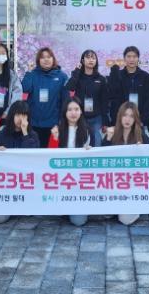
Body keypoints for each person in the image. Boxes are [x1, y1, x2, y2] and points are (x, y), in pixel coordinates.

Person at [102, 101, 149, 226]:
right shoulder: (112, 133)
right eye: (125, 115)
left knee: (125, 219)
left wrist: (142, 150)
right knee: (106, 214)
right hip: (114, 183)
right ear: (120, 116)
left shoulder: (142, 136)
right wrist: (108, 139)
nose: (127, 119)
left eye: (131, 116)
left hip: (134, 185)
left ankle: (134, 207)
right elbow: (101, 160)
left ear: (136, 119)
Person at [0, 100, 40, 224]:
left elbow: (33, 158)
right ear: (11, 115)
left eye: (24, 116)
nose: (21, 119)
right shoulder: (0, 135)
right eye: (18, 115)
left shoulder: (33, 135)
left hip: (26, 184)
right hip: (5, 185)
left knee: (30, 212)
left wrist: (25, 133)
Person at [54, 97, 93, 226]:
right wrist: (54, 139)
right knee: (57, 212)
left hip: (81, 181)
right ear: (65, 112)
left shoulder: (87, 130)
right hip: (62, 179)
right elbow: (49, 157)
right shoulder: (58, 130)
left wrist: (90, 151)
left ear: (81, 111)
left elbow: (94, 161)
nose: (73, 113)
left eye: (76, 109)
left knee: (78, 221)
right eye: (70, 109)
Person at [21, 47, 68, 147]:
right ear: (38, 60)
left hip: (53, 124)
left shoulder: (62, 76)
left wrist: (61, 121)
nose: (46, 59)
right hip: (34, 123)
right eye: (42, 57)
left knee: (51, 152)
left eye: (49, 57)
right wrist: (28, 72)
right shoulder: (33, 74)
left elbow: (65, 101)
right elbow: (25, 88)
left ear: (53, 59)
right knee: (35, 151)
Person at [65, 50, 109, 147]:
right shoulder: (78, 76)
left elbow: (104, 101)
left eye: (93, 58)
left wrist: (105, 121)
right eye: (88, 57)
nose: (91, 60)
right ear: (82, 60)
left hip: (96, 117)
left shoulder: (101, 79)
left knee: (96, 142)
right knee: (80, 143)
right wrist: (77, 71)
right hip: (81, 117)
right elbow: (69, 87)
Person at [108, 46, 149, 130]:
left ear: (138, 58)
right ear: (124, 58)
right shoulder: (119, 75)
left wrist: (143, 120)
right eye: (128, 56)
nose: (131, 59)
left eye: (134, 56)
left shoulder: (145, 76)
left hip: (139, 120)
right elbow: (114, 97)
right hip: (121, 119)